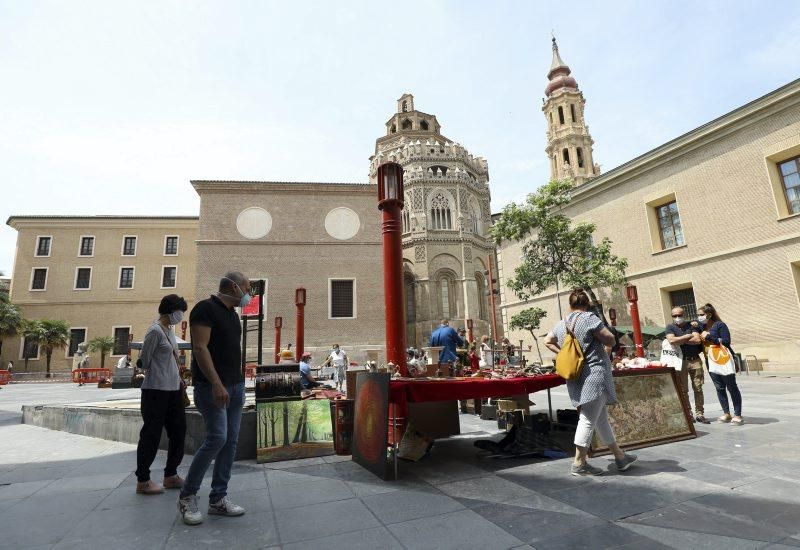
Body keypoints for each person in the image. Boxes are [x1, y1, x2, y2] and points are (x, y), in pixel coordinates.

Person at [178, 272, 249, 525]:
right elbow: (199, 347)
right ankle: (187, 496)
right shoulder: (204, 309)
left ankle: (218, 498)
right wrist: (217, 383)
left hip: (236, 385)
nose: (247, 294)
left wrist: (236, 384)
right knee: (217, 437)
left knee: (230, 442)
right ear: (233, 286)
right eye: (246, 288)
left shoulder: (233, 315)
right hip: (212, 387)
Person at [544, 289, 637, 476]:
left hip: (575, 374)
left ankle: (619, 456)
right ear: (586, 304)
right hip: (594, 373)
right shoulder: (589, 318)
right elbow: (610, 338)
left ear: (570, 305)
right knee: (587, 419)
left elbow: (548, 341)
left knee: (599, 418)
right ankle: (579, 463)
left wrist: (565, 353)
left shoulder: (562, 324)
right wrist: (604, 337)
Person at [135, 294, 189, 495]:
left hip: (173, 389)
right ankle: (143, 480)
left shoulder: (169, 330)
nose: (181, 315)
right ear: (171, 310)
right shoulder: (155, 331)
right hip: (155, 390)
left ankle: (171, 475)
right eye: (180, 311)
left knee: (178, 431)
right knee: (151, 434)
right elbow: (144, 361)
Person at [698, 303, 743, 425]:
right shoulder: (701, 327)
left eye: (701, 315)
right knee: (719, 387)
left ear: (709, 314)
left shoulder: (720, 325)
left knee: (731, 387)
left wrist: (709, 337)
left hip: (722, 360)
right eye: (698, 315)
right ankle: (726, 413)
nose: (699, 317)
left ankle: (737, 414)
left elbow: (726, 342)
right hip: (710, 361)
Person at [665, 307, 710, 424]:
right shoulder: (670, 327)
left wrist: (679, 339)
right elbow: (671, 341)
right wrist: (686, 337)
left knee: (698, 388)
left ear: (683, 314)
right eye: (674, 316)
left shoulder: (691, 325)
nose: (677, 318)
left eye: (679, 315)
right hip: (680, 362)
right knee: (683, 390)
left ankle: (700, 414)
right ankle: (688, 413)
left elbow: (697, 340)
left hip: (695, 360)